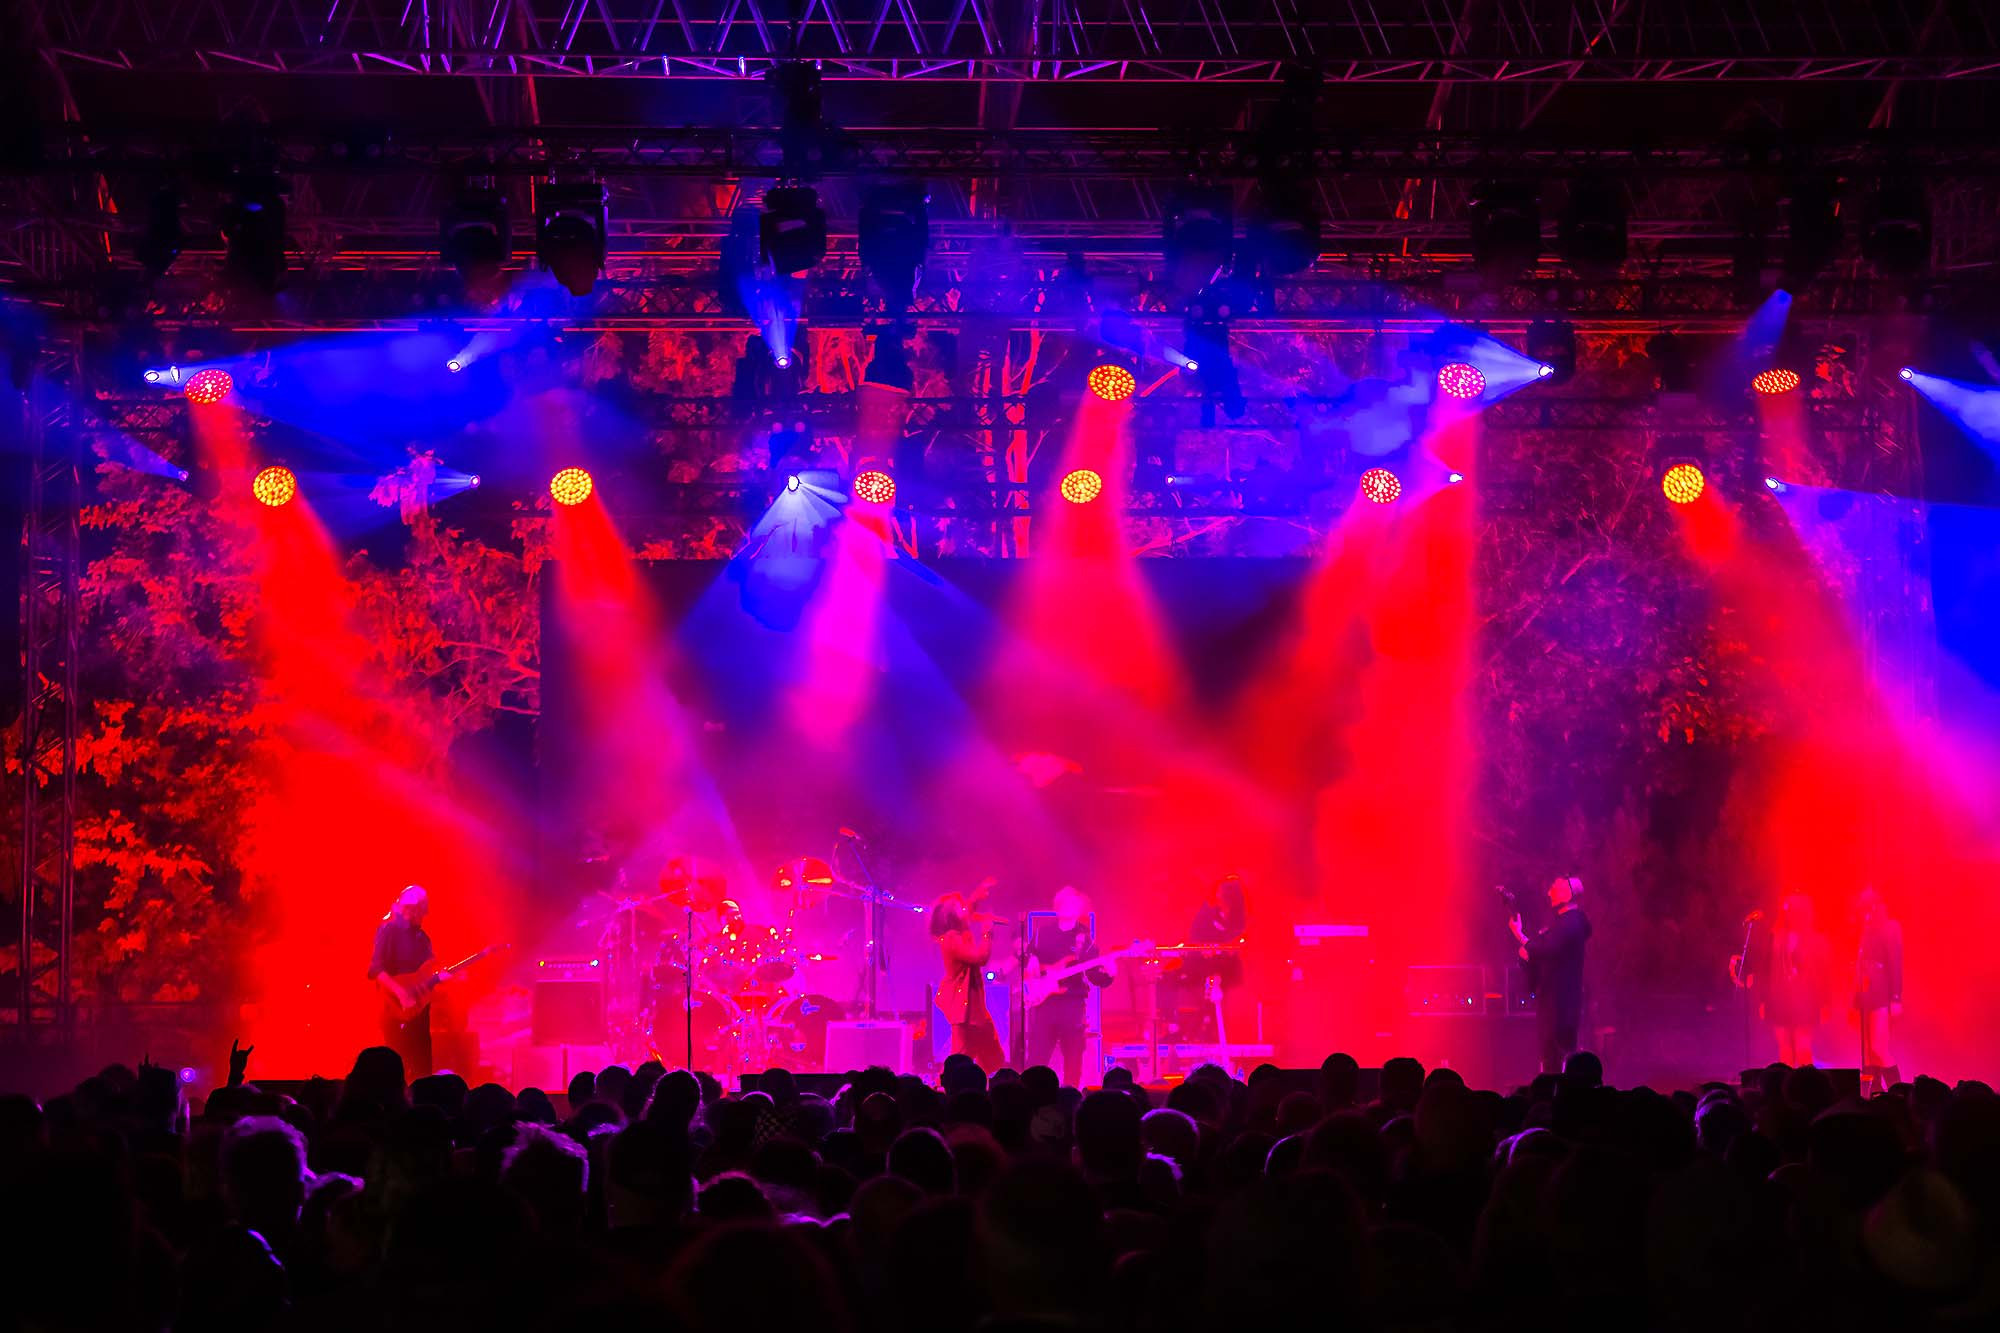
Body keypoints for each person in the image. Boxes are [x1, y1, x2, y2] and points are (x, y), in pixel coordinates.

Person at [1025, 887, 1117, 1088]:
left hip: (1073, 1005)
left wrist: (1109, 973)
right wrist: (1031, 960)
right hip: (1045, 1004)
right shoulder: (1042, 933)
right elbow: (1028, 957)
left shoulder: (1085, 938)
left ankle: (1071, 1097)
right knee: (1036, 1058)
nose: (1067, 906)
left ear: (1078, 909)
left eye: (1072, 903)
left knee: (1073, 1059)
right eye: (1063, 903)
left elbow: (1094, 976)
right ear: (1057, 907)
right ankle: (1032, 1096)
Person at [1730, 893, 1829, 1067]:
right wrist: (1763, 1000)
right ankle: (1787, 1081)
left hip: (1805, 1000)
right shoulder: (1775, 937)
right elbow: (1766, 970)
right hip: (1779, 999)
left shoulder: (1814, 939)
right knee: (1784, 1048)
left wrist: (1823, 1003)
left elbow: (1822, 974)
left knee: (1802, 1047)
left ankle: (1807, 1081)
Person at [1510, 876, 1592, 1074]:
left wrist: (1520, 937)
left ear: (1568, 893)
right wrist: (1527, 947)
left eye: (1554, 888)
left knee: (1556, 1056)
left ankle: (1559, 1091)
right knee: (1552, 1056)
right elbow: (1544, 948)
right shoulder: (1564, 924)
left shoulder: (1571, 923)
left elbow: (1547, 948)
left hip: (1560, 1004)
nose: (1549, 893)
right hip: (1556, 1002)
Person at [932, 882, 1006, 1071]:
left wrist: (976, 897)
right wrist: (987, 932)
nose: (965, 909)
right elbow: (980, 957)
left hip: (974, 1011)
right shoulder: (951, 939)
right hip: (965, 1012)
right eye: (960, 907)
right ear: (952, 916)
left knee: (992, 1059)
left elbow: (966, 914)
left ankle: (988, 1082)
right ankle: (950, 1085)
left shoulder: (959, 934)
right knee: (961, 1060)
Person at [368, 885, 440, 1078]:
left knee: (422, 1068)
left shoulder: (422, 938)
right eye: (411, 909)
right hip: (392, 1007)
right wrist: (401, 994)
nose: (416, 915)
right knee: (395, 1067)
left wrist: (442, 979)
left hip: (418, 1010)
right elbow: (375, 969)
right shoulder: (388, 930)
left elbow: (428, 973)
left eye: (419, 911)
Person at [1854, 887, 1905, 1092]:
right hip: (1866, 992)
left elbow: (1895, 961)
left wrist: (1896, 997)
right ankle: (1874, 1091)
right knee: (1867, 1051)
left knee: (1878, 1047)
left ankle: (1898, 1091)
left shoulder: (1889, 926)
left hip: (1881, 991)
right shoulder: (1864, 928)